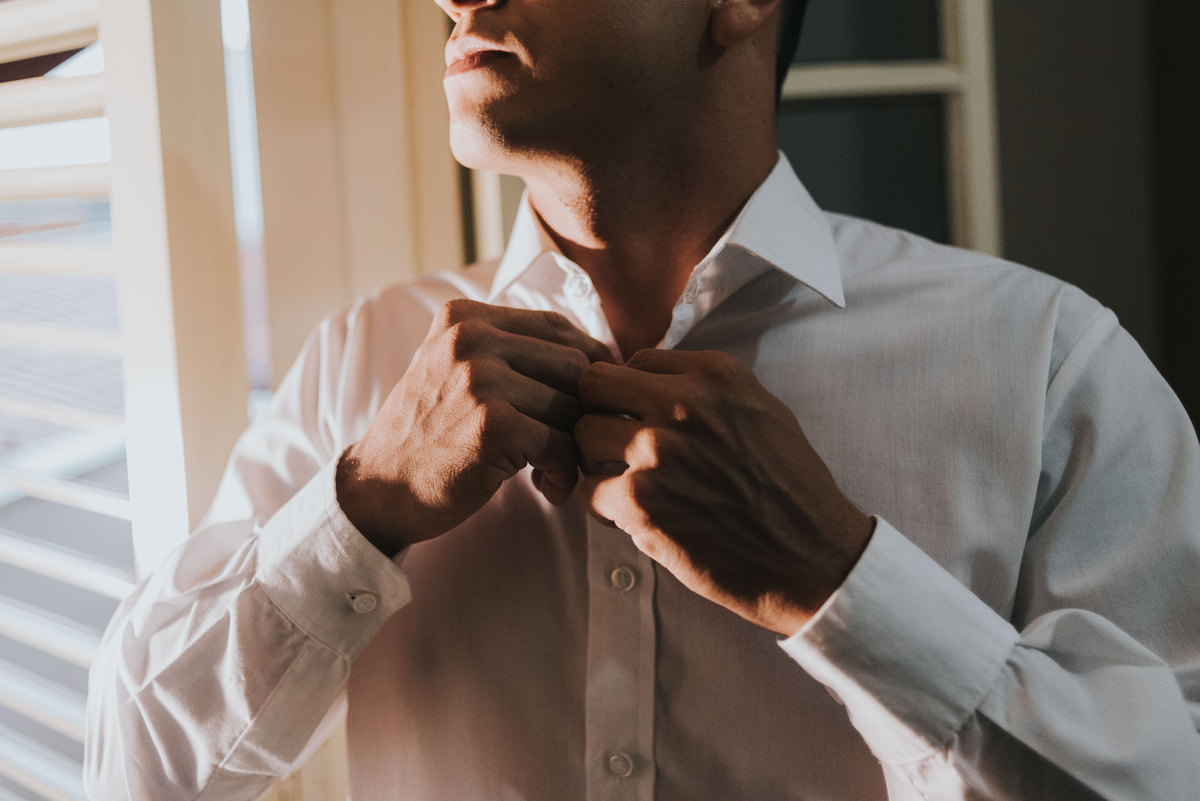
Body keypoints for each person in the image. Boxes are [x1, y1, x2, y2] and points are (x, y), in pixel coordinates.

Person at [85, 0, 1200, 798]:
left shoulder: (1049, 365)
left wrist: (837, 578)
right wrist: (360, 507)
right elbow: (133, 774)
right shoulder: (362, 361)